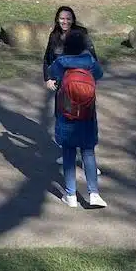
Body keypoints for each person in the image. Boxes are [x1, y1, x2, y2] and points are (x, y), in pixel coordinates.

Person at [46, 29, 107, 209]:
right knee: (88, 152)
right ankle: (94, 193)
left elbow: (51, 73)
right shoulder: (90, 61)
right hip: (88, 114)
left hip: (67, 113)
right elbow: (99, 75)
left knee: (69, 153)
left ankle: (70, 195)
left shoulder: (61, 62)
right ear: (83, 46)